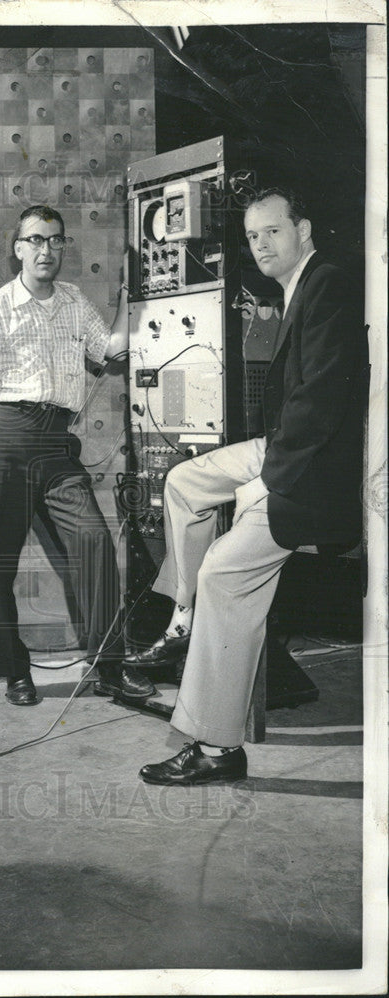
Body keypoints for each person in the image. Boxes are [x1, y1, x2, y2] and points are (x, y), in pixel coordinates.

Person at [135, 187, 367, 785]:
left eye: (273, 231)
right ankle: (183, 617)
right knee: (184, 481)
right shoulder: (295, 288)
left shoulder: (329, 285)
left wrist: (263, 482)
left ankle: (217, 749)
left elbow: (321, 401)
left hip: (308, 473)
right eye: (253, 235)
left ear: (304, 229)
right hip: (284, 451)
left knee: (223, 574)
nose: (261, 244)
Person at [0, 205, 155, 707]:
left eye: (55, 241)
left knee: (96, 544)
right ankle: (15, 671)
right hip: (1, 441)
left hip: (56, 445)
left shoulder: (75, 302)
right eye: (35, 240)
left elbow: (114, 352)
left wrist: (128, 293)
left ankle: (109, 668)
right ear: (18, 248)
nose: (46, 250)